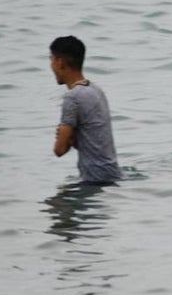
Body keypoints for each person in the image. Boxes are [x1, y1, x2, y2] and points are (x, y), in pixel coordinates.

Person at [49, 35, 122, 184]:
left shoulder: (72, 98)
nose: (51, 65)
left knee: (52, 206)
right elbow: (94, 137)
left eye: (51, 59)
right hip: (112, 173)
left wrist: (66, 137)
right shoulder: (96, 90)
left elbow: (59, 150)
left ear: (60, 62)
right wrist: (73, 137)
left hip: (94, 180)